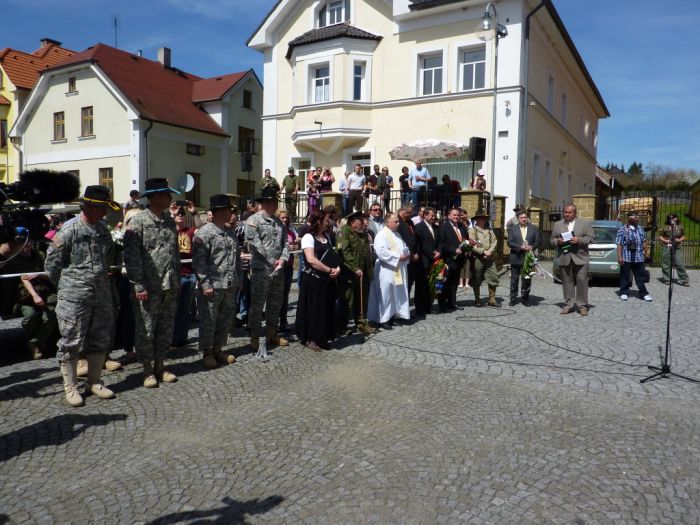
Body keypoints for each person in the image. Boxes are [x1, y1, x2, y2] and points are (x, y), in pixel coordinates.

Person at [45, 185, 119, 407]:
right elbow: (52, 266)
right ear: (88, 207)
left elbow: (109, 257)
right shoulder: (69, 230)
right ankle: (71, 386)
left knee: (99, 339)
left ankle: (94, 382)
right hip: (74, 297)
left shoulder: (103, 230)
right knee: (71, 341)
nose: (105, 213)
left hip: (101, 295)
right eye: (101, 208)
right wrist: (69, 287)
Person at [123, 178, 181, 388]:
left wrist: (177, 279)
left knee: (165, 327)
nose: (171, 198)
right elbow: (131, 256)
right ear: (156, 197)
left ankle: (160, 365)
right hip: (148, 287)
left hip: (169, 285)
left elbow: (173, 251)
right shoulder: (138, 222)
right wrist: (138, 284)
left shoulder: (169, 220)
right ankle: (147, 370)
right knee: (146, 330)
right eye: (167, 195)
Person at [192, 194, 241, 369]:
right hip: (212, 286)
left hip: (229, 284)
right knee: (209, 320)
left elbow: (236, 259)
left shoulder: (230, 232)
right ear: (219, 211)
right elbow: (199, 263)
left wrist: (238, 280)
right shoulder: (205, 233)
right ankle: (207, 352)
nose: (231, 213)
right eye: (229, 210)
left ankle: (218, 349)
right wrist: (205, 284)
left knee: (225, 320)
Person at [245, 186, 290, 352]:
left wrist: (283, 260)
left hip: (278, 271)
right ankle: (255, 336)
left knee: (275, 304)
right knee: (257, 305)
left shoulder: (279, 223)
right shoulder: (253, 221)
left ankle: (272, 333)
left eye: (274, 201)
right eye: (269, 202)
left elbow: (285, 243)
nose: (273, 204)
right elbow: (255, 245)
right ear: (263, 203)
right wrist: (273, 261)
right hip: (261, 271)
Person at [296, 210, 341, 350]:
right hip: (313, 279)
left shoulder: (327, 236)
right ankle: (311, 338)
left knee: (325, 308)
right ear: (319, 221)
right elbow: (311, 260)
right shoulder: (308, 237)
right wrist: (329, 270)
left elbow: (332, 255)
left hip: (326, 279)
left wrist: (337, 268)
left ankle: (322, 337)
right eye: (327, 219)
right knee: (313, 309)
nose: (329, 222)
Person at [15, 241, 57, 360]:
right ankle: (35, 339)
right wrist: (34, 296)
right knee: (31, 316)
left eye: (28, 245)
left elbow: (51, 273)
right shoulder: (15, 259)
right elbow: (24, 279)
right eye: (22, 246)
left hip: (44, 290)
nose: (25, 248)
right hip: (25, 295)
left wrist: (37, 274)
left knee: (51, 314)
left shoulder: (40, 255)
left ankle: (35, 343)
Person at [367, 213, 410, 329]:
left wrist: (406, 255)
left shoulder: (397, 234)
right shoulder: (381, 235)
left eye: (398, 221)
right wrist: (397, 257)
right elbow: (381, 252)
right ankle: (383, 319)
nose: (398, 223)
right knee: (385, 294)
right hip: (386, 269)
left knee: (395, 293)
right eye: (395, 221)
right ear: (387, 222)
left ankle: (392, 316)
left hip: (397, 269)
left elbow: (404, 247)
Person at [550, 204, 594, 316]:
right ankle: (568, 305)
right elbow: (552, 239)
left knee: (582, 282)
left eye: (569, 212)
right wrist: (557, 242)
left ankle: (582, 305)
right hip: (564, 257)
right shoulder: (558, 224)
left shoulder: (585, 224)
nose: (567, 214)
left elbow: (591, 238)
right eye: (565, 212)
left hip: (581, 257)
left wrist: (579, 240)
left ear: (575, 212)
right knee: (567, 283)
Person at [336, 211, 376, 336]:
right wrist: (355, 268)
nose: (364, 223)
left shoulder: (362, 234)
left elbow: (366, 251)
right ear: (353, 222)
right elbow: (345, 252)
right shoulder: (345, 232)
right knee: (347, 300)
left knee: (361, 299)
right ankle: (342, 326)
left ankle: (361, 323)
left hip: (363, 272)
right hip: (349, 273)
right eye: (361, 221)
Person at [171, 201, 197, 348]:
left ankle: (183, 337)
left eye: (182, 213)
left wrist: (193, 213)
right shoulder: (169, 230)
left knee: (185, 308)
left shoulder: (191, 231)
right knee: (174, 308)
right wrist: (171, 212)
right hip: (176, 275)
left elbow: (203, 231)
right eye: (178, 213)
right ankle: (173, 339)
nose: (180, 215)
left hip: (189, 274)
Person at [437, 207, 470, 311]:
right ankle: (442, 305)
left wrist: (468, 248)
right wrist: (453, 250)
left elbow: (466, 239)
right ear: (449, 216)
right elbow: (441, 243)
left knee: (454, 283)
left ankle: (452, 303)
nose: (456, 217)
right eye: (454, 215)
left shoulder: (462, 227)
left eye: (458, 215)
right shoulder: (443, 227)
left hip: (459, 260)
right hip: (448, 259)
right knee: (445, 283)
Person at [616, 212, 652, 302]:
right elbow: (619, 244)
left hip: (638, 257)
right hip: (626, 257)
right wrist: (619, 256)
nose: (637, 218)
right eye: (635, 217)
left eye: (638, 217)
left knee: (640, 277)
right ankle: (624, 292)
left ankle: (643, 293)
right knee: (625, 276)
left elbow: (644, 241)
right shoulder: (622, 229)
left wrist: (646, 252)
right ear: (629, 218)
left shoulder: (640, 229)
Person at [469, 210, 501, 307]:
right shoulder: (472, 231)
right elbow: (471, 245)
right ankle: (477, 300)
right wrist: (483, 251)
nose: (484, 220)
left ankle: (492, 299)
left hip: (490, 258)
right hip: (478, 258)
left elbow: (495, 242)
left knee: (493, 277)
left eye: (485, 218)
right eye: (482, 218)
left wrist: (490, 251)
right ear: (477, 219)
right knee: (476, 278)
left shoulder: (490, 230)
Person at [507, 210, 540, 306]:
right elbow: (510, 242)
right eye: (521, 217)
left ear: (527, 218)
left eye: (525, 217)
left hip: (528, 257)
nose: (523, 219)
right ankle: (513, 297)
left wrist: (532, 247)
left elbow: (538, 241)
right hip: (516, 256)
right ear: (518, 219)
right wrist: (519, 247)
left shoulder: (534, 228)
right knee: (514, 279)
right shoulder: (513, 229)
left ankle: (525, 298)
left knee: (527, 278)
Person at [414, 207, 440, 317]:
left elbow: (440, 241)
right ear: (425, 215)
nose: (433, 217)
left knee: (431, 285)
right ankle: (419, 309)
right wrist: (431, 254)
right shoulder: (419, 227)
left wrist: (439, 251)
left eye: (434, 215)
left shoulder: (436, 227)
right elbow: (421, 244)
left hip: (435, 260)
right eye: (431, 215)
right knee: (421, 286)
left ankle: (428, 306)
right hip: (424, 260)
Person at [277, 209, 299, 332]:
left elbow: (296, 245)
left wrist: (294, 246)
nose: (285, 220)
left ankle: (283, 322)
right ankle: (273, 323)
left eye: (286, 218)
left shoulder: (291, 231)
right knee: (277, 295)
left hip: (289, 266)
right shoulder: (276, 231)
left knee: (285, 295)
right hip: (278, 266)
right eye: (282, 218)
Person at [659, 214, 689, 286]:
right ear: (668, 219)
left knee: (679, 263)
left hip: (677, 246)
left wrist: (679, 240)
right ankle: (667, 279)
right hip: (667, 246)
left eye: (674, 217)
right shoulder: (665, 227)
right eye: (670, 218)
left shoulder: (680, 226)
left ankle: (684, 279)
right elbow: (660, 236)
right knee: (666, 263)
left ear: (676, 218)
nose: (672, 219)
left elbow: (684, 236)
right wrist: (666, 241)